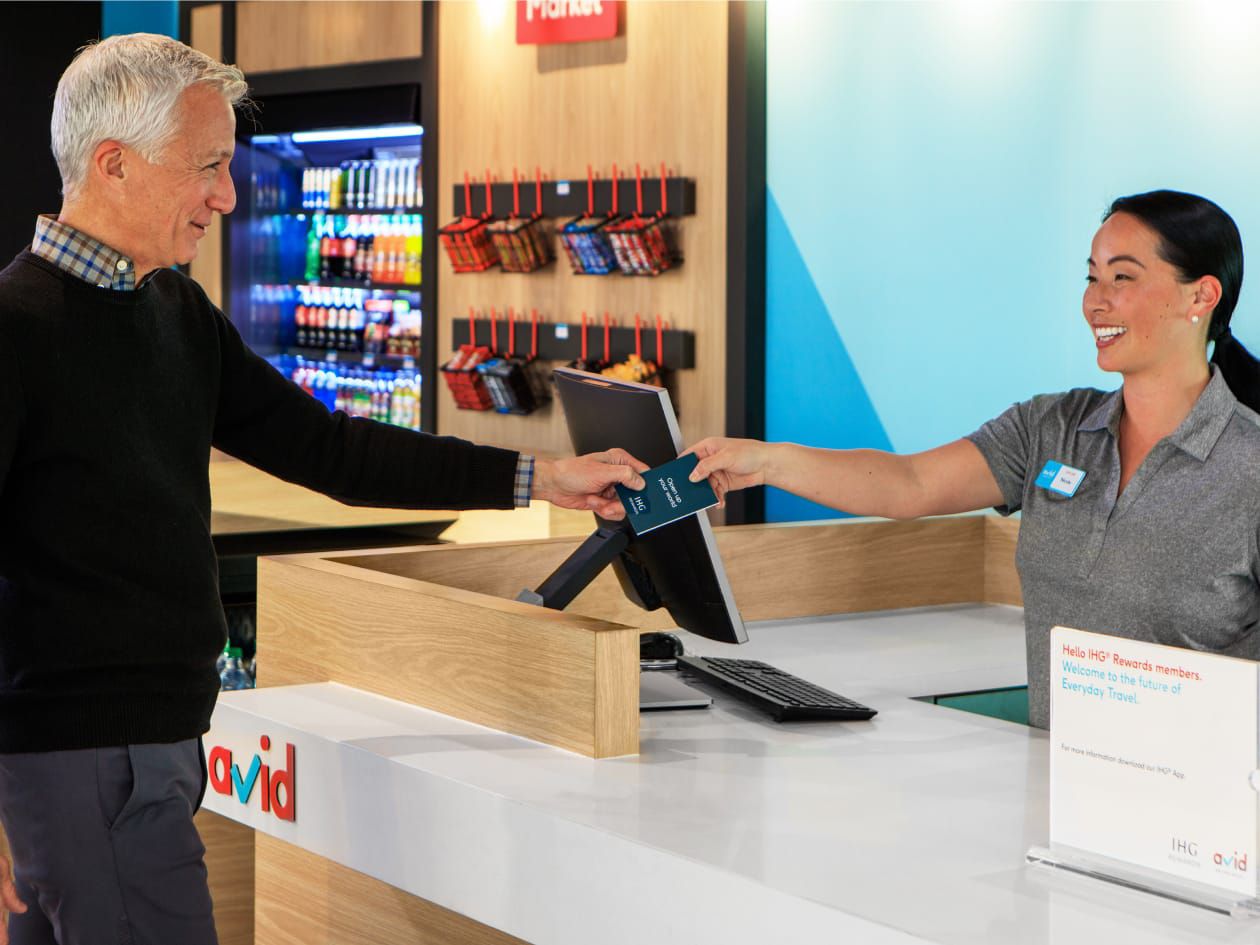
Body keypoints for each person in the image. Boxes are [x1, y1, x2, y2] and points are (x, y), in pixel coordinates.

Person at [0, 34, 647, 945]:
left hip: (147, 749)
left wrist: (540, 476)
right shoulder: (17, 327)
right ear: (114, 164)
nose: (227, 196)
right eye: (208, 165)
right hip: (86, 759)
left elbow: (332, 451)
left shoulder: (176, 312)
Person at [687, 189, 1260, 732]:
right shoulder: (1052, 427)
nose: (1095, 301)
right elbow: (910, 483)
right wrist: (766, 463)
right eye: (1092, 277)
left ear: (1200, 296)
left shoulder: (1250, 465)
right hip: (1055, 777)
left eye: (1122, 277)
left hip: (1201, 791)